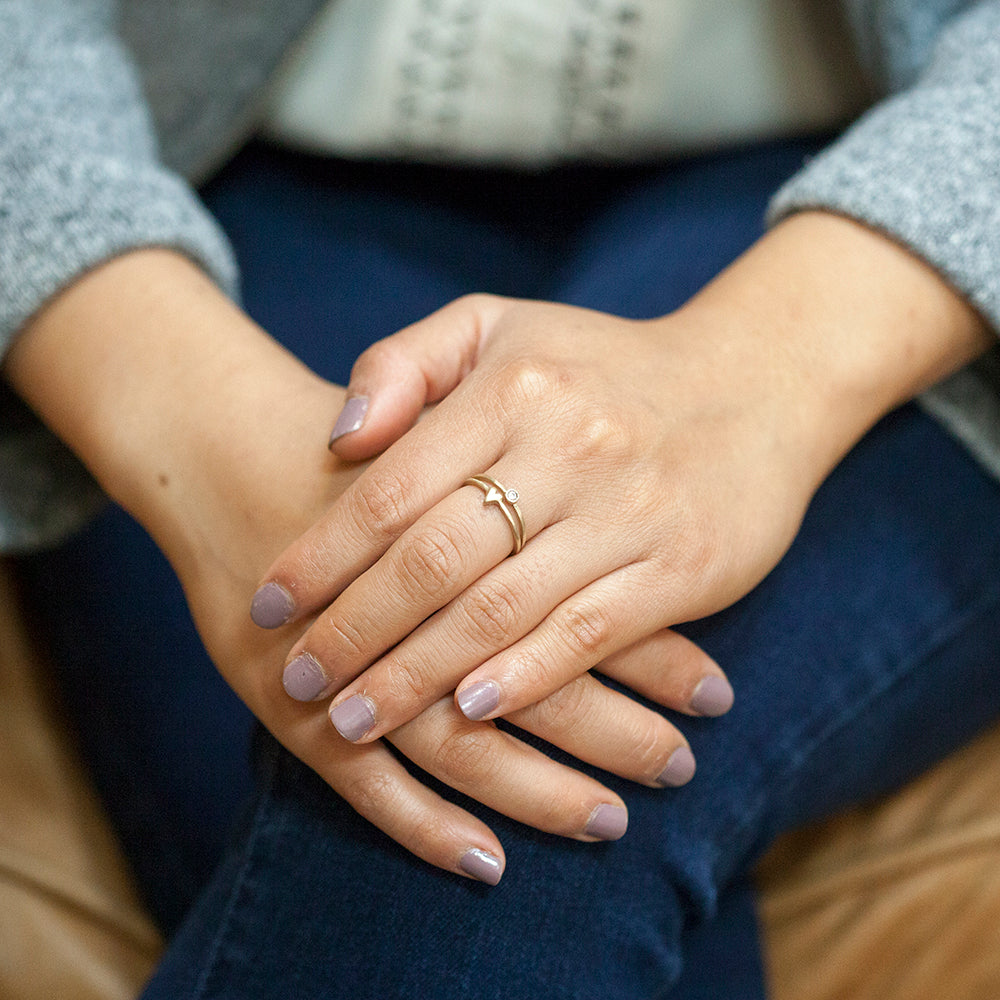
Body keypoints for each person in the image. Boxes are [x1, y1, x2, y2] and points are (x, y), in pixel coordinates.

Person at [3, 1, 1000, 997]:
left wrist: (777, 353)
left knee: (507, 748)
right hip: (213, 170)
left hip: (882, 186)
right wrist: (173, 395)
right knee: (417, 719)